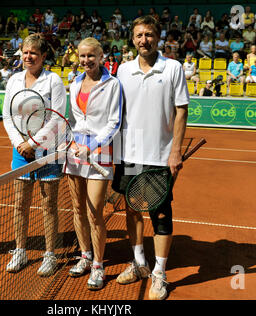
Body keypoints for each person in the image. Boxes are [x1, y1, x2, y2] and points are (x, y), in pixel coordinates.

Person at [113, 15, 189, 300]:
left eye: (149, 35)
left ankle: (159, 273)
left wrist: (176, 150)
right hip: (129, 153)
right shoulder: (122, 70)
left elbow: (181, 111)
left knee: (160, 214)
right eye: (139, 35)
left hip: (159, 156)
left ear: (158, 37)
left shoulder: (173, 68)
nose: (144, 40)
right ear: (132, 39)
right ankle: (139, 262)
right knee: (132, 210)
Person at [2, 33, 67, 277]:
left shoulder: (53, 81)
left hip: (48, 151)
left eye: (34, 53)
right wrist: (21, 143)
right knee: (20, 204)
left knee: (49, 205)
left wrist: (33, 143)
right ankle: (20, 250)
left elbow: (56, 117)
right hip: (20, 152)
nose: (29, 57)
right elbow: (8, 117)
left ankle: (50, 254)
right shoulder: (14, 81)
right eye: (26, 52)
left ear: (43, 56)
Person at [66, 37, 122, 290]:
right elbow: (73, 120)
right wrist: (72, 143)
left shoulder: (113, 84)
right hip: (75, 151)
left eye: (91, 56)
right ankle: (85, 256)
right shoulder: (74, 83)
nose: (86, 60)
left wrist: (93, 146)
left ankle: (99, 265)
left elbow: (114, 122)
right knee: (77, 209)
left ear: (101, 57)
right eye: (82, 56)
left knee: (94, 212)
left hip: (100, 152)